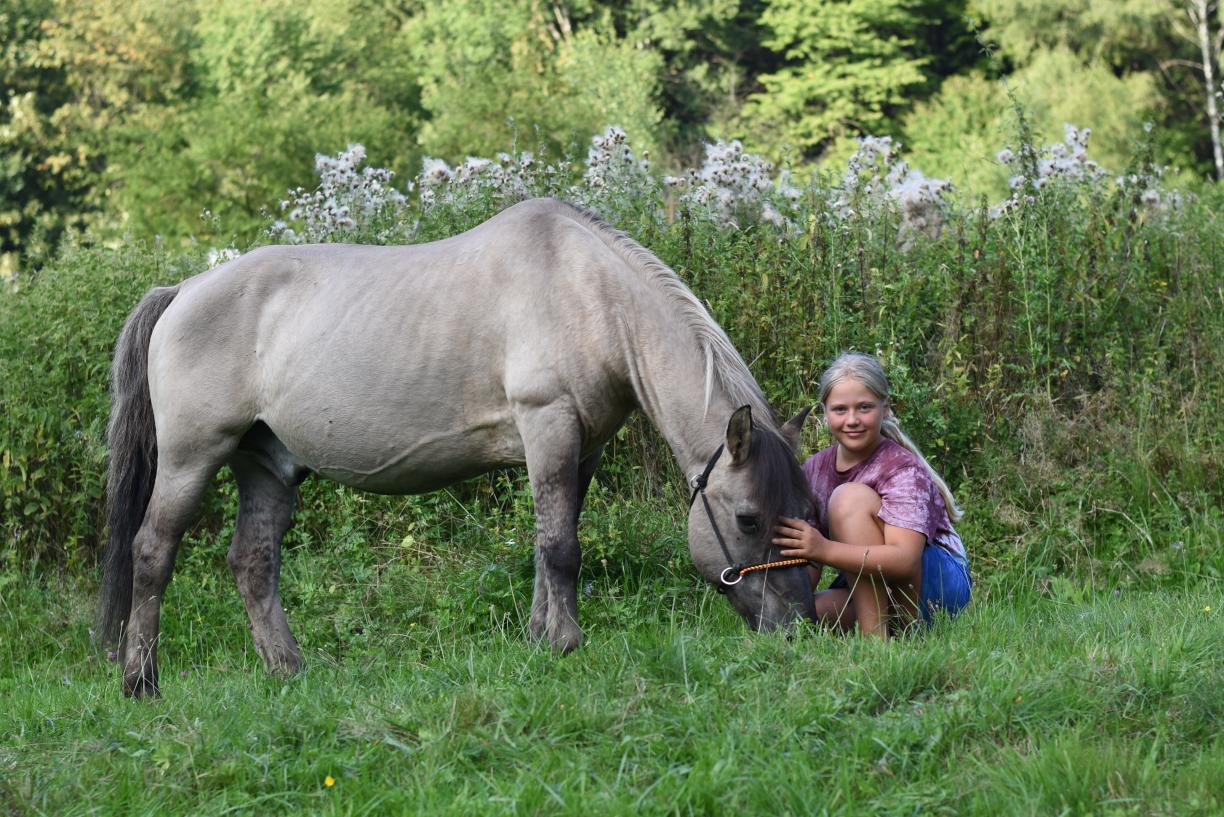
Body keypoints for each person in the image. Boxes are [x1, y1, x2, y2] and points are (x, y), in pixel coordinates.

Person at [771, 352, 970, 636]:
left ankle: (876, 641)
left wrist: (824, 549)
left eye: (864, 407)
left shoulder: (901, 467)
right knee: (799, 618)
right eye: (840, 409)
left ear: (885, 407)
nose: (852, 420)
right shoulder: (814, 469)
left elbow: (904, 561)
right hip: (869, 579)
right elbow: (807, 555)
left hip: (934, 582)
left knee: (847, 500)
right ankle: (888, 627)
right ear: (825, 412)